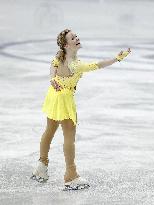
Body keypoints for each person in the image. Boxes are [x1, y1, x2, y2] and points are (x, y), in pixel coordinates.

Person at [30, 28, 131, 190]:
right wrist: (116, 59)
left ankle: (41, 167)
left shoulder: (59, 55)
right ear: (66, 45)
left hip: (53, 96)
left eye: (76, 36)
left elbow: (53, 65)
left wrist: (52, 79)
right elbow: (97, 65)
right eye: (72, 38)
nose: (77, 38)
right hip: (64, 99)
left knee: (49, 130)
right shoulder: (75, 65)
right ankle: (71, 175)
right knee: (69, 135)